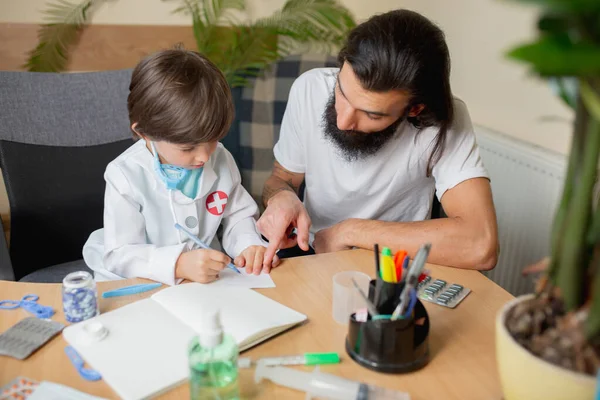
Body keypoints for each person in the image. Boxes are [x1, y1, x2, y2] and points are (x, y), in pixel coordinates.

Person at [255, 9, 499, 274]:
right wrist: (281, 196)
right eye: (342, 92)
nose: (343, 121)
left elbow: (481, 246)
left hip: (394, 267)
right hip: (314, 254)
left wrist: (350, 232)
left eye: (371, 114)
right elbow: (282, 177)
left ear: (414, 109)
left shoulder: (444, 120)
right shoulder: (309, 88)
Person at [83, 48, 276, 285]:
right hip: (140, 281)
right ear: (144, 133)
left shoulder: (221, 159)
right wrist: (177, 265)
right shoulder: (124, 174)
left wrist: (248, 245)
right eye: (188, 148)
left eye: (213, 140)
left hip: (207, 280)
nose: (204, 157)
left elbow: (237, 215)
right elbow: (121, 253)